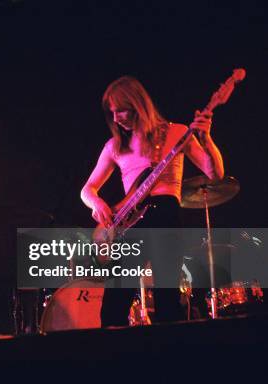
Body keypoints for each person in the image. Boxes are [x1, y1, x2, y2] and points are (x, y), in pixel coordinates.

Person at [80, 76, 224, 326]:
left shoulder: (177, 132)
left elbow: (215, 174)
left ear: (137, 104)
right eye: (111, 113)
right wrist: (98, 203)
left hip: (166, 215)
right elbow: (87, 189)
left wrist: (207, 139)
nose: (115, 119)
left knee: (168, 301)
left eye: (121, 110)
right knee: (113, 306)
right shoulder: (114, 146)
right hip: (129, 225)